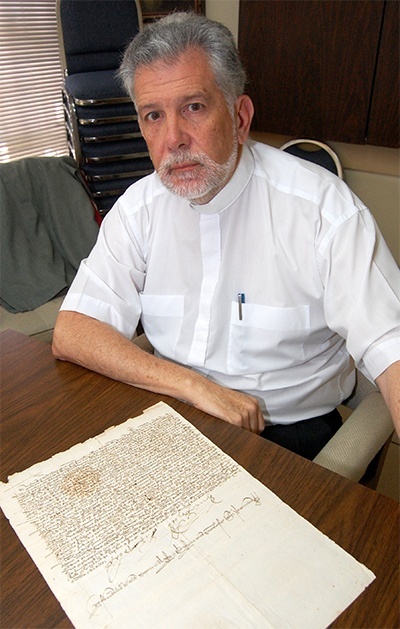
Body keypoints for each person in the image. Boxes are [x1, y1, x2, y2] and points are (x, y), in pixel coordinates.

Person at [52, 12, 400, 459]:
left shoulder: (323, 211)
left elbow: (391, 344)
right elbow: (73, 330)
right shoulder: (139, 208)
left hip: (289, 437)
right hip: (173, 413)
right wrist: (192, 386)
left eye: (193, 107)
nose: (173, 138)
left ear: (239, 116)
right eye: (153, 115)